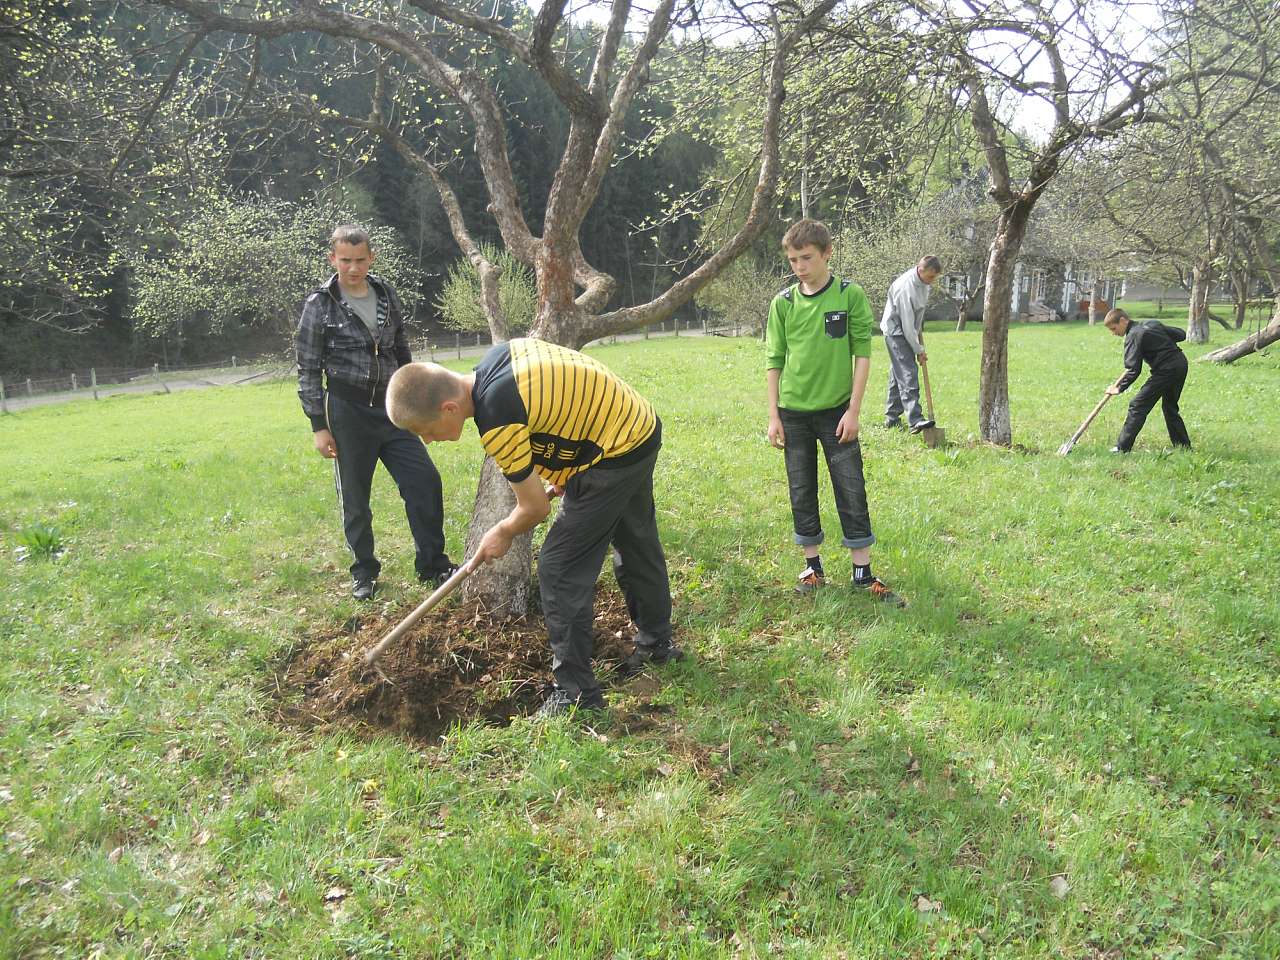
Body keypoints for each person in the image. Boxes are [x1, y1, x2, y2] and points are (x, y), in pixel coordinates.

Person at [385, 338, 682, 716]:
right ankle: (657, 646)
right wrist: (567, 470)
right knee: (634, 538)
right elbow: (558, 408)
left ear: (449, 408)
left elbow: (534, 507)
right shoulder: (497, 359)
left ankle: (577, 695)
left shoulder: (497, 420)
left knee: (559, 567)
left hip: (615, 450)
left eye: (425, 431)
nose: (428, 441)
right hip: (636, 426)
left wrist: (504, 531)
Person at [295, 224, 454, 601]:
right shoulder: (319, 304)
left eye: (360, 260)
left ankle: (432, 564)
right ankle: (364, 571)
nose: (353, 268)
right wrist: (319, 426)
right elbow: (308, 368)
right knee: (355, 499)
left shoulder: (385, 294)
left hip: (392, 408)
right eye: (345, 260)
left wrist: (414, 399)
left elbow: (401, 349)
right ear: (333, 259)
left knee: (424, 481)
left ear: (371, 258)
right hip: (347, 411)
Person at [765, 218, 902, 604]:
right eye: (793, 260)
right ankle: (813, 568)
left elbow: (862, 354)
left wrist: (853, 410)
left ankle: (863, 573)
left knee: (851, 487)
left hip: (837, 414)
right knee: (801, 489)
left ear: (827, 253)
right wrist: (774, 416)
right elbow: (774, 360)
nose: (800, 267)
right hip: (793, 414)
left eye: (807, 257)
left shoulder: (849, 295)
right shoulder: (783, 303)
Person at [1102, 307, 1192, 452]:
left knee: (1137, 405)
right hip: (1180, 364)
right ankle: (1183, 446)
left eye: (1114, 328)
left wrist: (1118, 387)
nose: (1113, 333)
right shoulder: (1151, 324)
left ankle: (1122, 448)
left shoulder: (1133, 335)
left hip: (1166, 371)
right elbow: (1181, 335)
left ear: (1123, 321)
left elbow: (1133, 369)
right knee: (1170, 407)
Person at [880, 255, 942, 432]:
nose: (932, 281)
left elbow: (917, 315)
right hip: (896, 332)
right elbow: (907, 324)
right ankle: (915, 419)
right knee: (908, 372)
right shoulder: (905, 288)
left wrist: (917, 337)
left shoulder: (924, 283)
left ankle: (892, 418)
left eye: (935, 277)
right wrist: (918, 349)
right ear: (920, 270)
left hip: (908, 329)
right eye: (930, 276)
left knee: (898, 372)